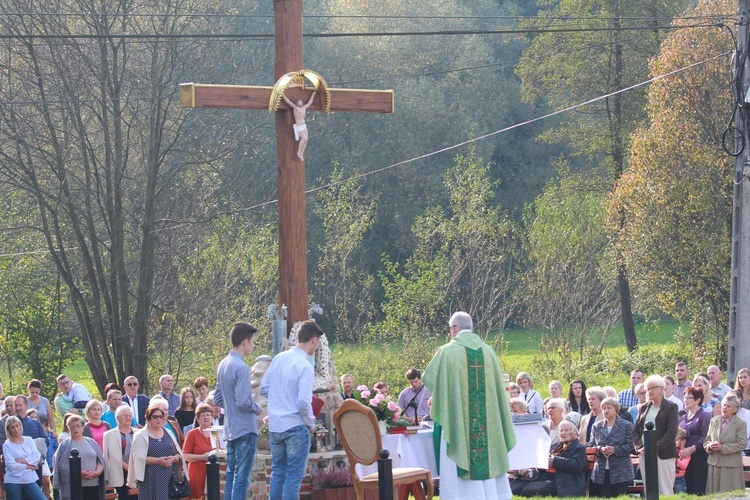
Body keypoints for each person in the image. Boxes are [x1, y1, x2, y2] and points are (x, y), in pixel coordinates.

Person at [423, 311, 516, 499]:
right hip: (488, 426)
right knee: (486, 451)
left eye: (450, 329)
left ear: (454, 329)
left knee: (458, 450)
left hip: (458, 423)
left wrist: (447, 397)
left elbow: (429, 379)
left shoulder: (446, 352)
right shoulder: (489, 352)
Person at [261, 320, 323, 499]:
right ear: (313, 340)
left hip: (276, 425)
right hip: (295, 425)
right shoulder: (305, 365)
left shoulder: (279, 358)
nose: (317, 346)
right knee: (294, 476)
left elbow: (264, 387)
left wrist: (278, 400)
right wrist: (311, 423)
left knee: (278, 472)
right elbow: (304, 402)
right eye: (317, 342)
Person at [214, 322, 263, 500]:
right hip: (244, 429)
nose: (252, 345)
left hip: (230, 429)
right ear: (244, 342)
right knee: (242, 478)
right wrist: (256, 407)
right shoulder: (241, 367)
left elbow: (218, 399)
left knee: (230, 476)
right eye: (252, 342)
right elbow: (243, 401)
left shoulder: (223, 364)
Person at [512, 420, 586, 497]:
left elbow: (576, 465)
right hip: (546, 476)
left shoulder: (579, 447)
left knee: (530, 490)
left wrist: (554, 461)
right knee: (515, 488)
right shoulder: (555, 447)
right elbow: (542, 467)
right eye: (561, 430)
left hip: (564, 479)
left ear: (573, 432)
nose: (563, 433)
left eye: (566, 430)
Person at [127, 405, 188, 499]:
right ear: (148, 418)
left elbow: (178, 453)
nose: (158, 419)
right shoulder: (140, 435)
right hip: (149, 478)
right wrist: (157, 461)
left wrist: (174, 459)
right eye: (155, 417)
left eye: (161, 417)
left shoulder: (168, 433)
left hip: (169, 479)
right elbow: (137, 458)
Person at [633, 374, 679, 496]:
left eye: (653, 387)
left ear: (662, 388)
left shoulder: (671, 407)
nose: (650, 391)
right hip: (645, 453)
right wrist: (639, 447)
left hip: (664, 453)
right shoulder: (643, 408)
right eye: (648, 389)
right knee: (649, 490)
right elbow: (635, 431)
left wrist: (654, 448)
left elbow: (672, 431)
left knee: (665, 489)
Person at [587, 397, 634, 497]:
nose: (606, 410)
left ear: (616, 410)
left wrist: (614, 450)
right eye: (604, 408)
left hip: (621, 471)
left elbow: (631, 446)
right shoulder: (596, 426)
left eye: (609, 408)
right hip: (601, 470)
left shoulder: (627, 425)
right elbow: (591, 445)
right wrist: (600, 449)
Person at [52, 414, 106, 500]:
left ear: (83, 427)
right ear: (68, 428)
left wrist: (97, 472)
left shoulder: (92, 442)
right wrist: (79, 473)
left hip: (94, 483)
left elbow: (101, 460)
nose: (75, 429)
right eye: (72, 426)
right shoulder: (65, 445)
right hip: (74, 486)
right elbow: (61, 465)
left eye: (78, 426)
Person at [705, 393, 748, 493]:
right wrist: (710, 446)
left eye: (728, 406)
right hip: (714, 464)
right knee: (713, 495)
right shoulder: (714, 420)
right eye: (723, 405)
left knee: (730, 494)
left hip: (730, 466)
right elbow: (707, 439)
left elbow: (742, 444)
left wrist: (722, 448)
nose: (724, 408)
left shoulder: (741, 424)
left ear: (735, 409)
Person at [3, 416, 47, 500]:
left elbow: (36, 456)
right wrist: (28, 466)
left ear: (20, 426)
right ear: (9, 430)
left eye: (17, 426)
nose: (16, 429)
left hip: (29, 479)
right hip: (13, 480)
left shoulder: (29, 440)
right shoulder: (7, 445)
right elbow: (11, 465)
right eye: (12, 427)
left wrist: (23, 460)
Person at [678, 386, 711, 494]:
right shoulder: (683, 418)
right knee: (687, 487)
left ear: (697, 400)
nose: (685, 400)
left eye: (689, 398)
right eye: (685, 397)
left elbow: (705, 436)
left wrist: (692, 449)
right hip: (684, 457)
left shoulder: (704, 415)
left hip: (699, 456)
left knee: (698, 487)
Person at [103, 405, 137, 500]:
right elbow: (107, 455)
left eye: (130, 415)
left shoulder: (138, 433)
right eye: (125, 415)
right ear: (118, 418)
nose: (128, 417)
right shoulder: (109, 435)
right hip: (119, 473)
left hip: (136, 472)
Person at [182, 404, 215, 500]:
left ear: (212, 417)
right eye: (203, 415)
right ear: (197, 419)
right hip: (197, 473)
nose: (206, 417)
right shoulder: (192, 434)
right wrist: (202, 457)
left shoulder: (217, 432)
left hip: (214, 473)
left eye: (208, 415)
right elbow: (185, 456)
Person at [281, 91, 316, 160]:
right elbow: (288, 101)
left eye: (301, 101)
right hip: (298, 126)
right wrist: (282, 94)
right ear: (297, 103)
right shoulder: (295, 108)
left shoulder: (304, 107)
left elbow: (310, 102)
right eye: (299, 102)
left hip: (304, 126)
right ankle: (298, 152)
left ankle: (301, 153)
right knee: (304, 138)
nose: (300, 103)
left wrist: (313, 94)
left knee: (306, 140)